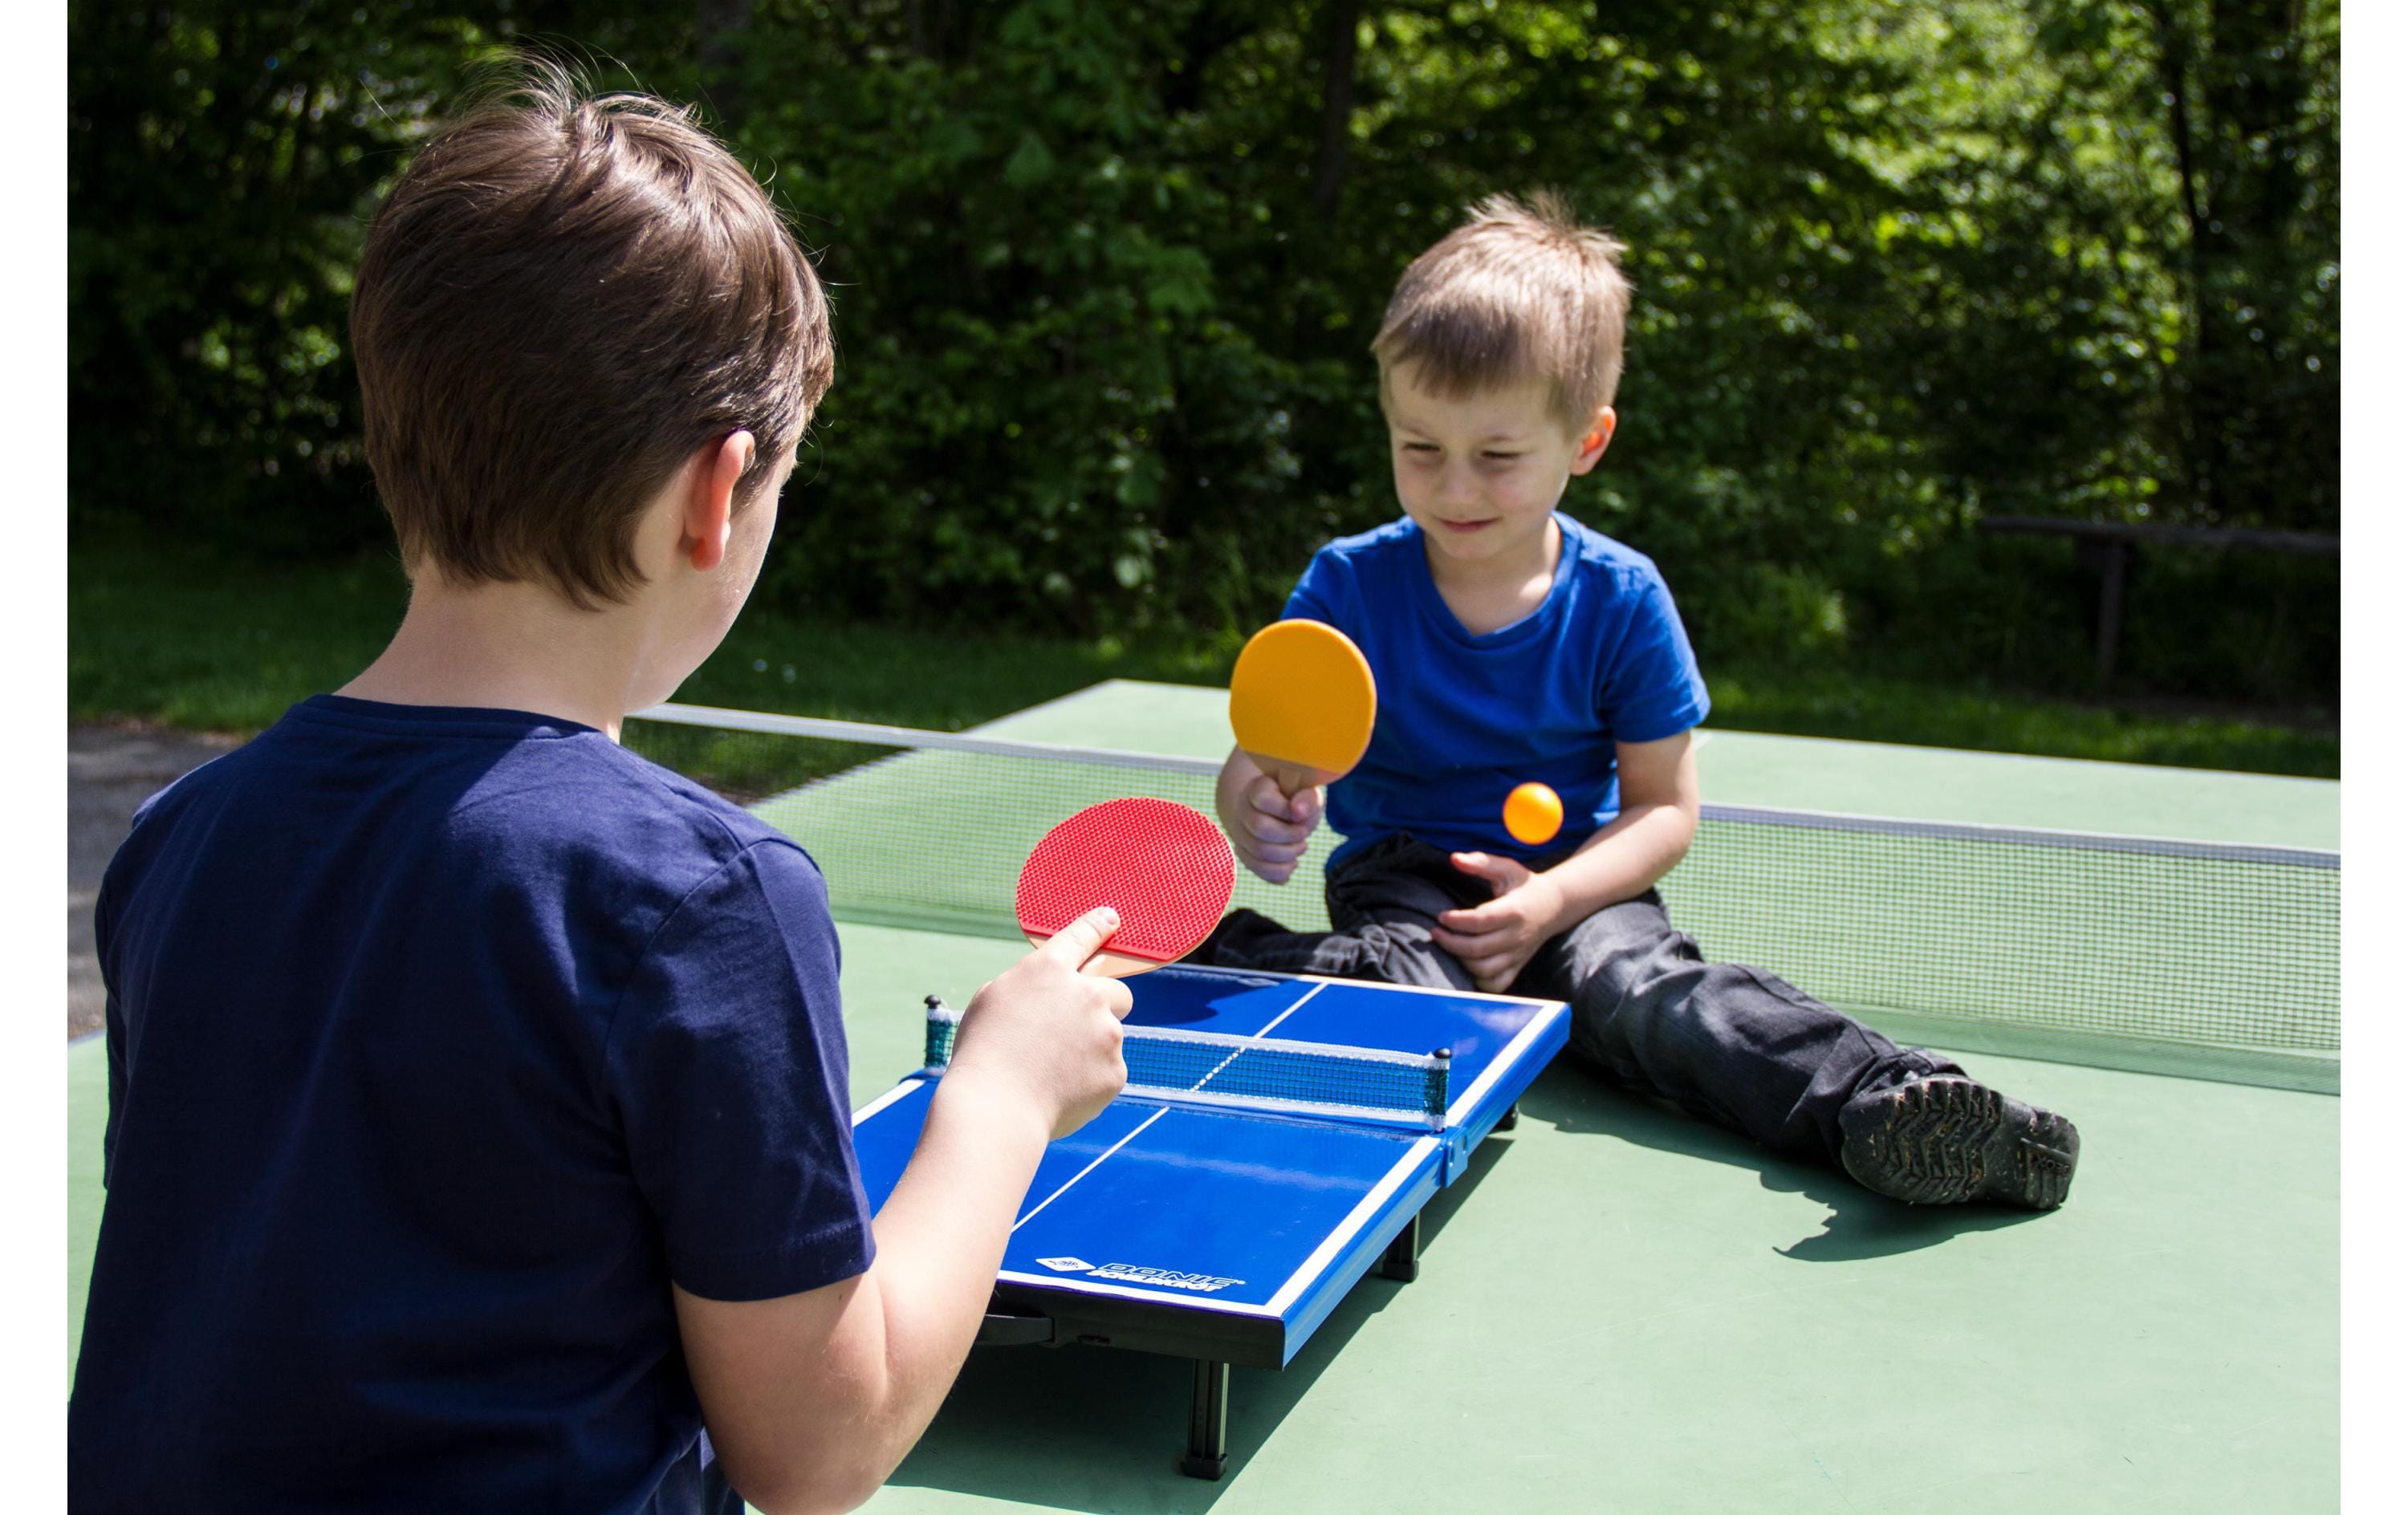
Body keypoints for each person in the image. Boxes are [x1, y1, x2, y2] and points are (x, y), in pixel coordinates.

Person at [69, 67, 1134, 1514]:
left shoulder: (180, 840)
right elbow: (817, 1449)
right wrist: (1001, 1096)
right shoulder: (697, 897)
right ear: (718, 491)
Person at [1199, 193, 2080, 1211]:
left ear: (1587, 440)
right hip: (1405, 888)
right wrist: (1253, 801)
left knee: (1647, 997)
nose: (1452, 487)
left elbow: (1664, 808)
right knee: (1415, 1019)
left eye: (1496, 455)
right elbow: (1262, 753)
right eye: (1419, 447)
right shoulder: (1348, 584)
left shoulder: (1622, 599)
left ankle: (1894, 1101)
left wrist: (1552, 902)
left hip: (1579, 880)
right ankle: (1233, 957)